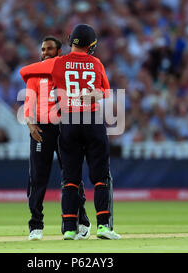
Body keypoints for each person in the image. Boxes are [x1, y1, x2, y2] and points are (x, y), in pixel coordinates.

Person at [51, 24, 120, 240]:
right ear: (91, 45)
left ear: (71, 41)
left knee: (70, 178)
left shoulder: (58, 64)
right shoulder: (96, 63)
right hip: (92, 120)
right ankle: (103, 227)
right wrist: (90, 95)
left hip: (69, 122)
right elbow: (104, 93)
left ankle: (70, 228)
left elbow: (52, 89)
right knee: (101, 177)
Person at [19, 36, 91, 241]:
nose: (45, 53)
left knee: (71, 177)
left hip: (65, 128)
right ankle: (36, 225)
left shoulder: (67, 73)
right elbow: (28, 102)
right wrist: (31, 124)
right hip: (41, 129)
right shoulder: (34, 75)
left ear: (59, 52)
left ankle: (81, 221)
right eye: (42, 49)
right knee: (37, 177)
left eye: (49, 49)